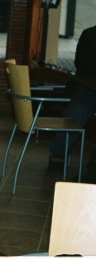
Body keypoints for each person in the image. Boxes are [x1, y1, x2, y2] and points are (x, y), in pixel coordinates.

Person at [48, 25, 96, 173]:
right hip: (88, 87)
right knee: (77, 110)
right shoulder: (90, 35)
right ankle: (59, 153)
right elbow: (82, 65)